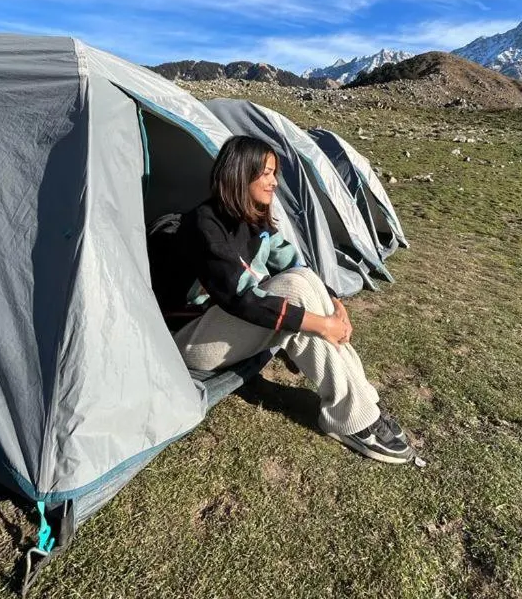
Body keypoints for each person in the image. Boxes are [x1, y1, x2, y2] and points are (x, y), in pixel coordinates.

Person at [150, 135, 413, 465]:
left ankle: (363, 405)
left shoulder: (254, 218)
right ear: (240, 173)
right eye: (267, 173)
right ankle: (351, 419)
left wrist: (335, 306)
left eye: (275, 173)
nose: (274, 182)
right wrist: (321, 324)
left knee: (301, 280)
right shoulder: (204, 225)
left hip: (222, 324)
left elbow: (293, 264)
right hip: (190, 341)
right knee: (296, 289)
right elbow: (243, 299)